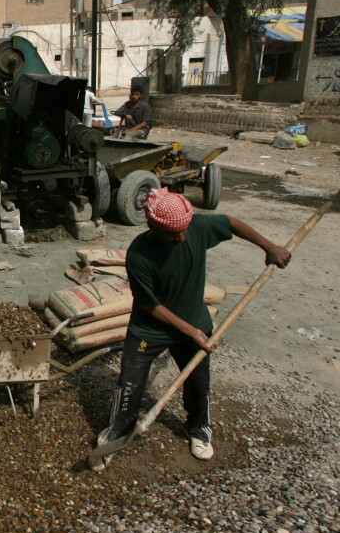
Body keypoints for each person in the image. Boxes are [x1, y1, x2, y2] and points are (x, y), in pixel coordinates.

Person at [89, 188, 291, 470]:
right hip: (150, 330)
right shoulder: (139, 254)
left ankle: (198, 429)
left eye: (183, 231)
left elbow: (231, 222)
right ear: (153, 227)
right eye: (173, 234)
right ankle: (117, 435)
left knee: (198, 384)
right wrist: (189, 331)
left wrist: (269, 247)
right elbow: (150, 305)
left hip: (194, 321)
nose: (181, 238)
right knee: (130, 385)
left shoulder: (194, 228)